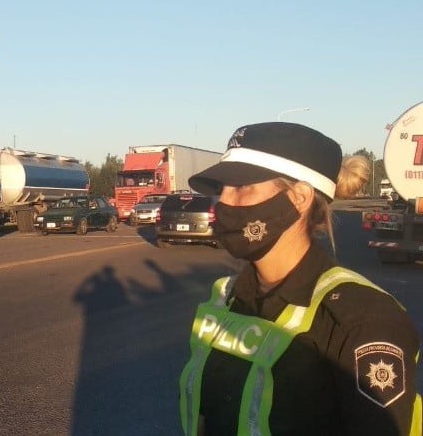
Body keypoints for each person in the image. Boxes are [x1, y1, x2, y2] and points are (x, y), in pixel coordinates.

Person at [179, 122, 422, 435]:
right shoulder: (228, 299)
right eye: (220, 189)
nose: (223, 202)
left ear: (299, 197)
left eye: (241, 187)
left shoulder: (361, 319)